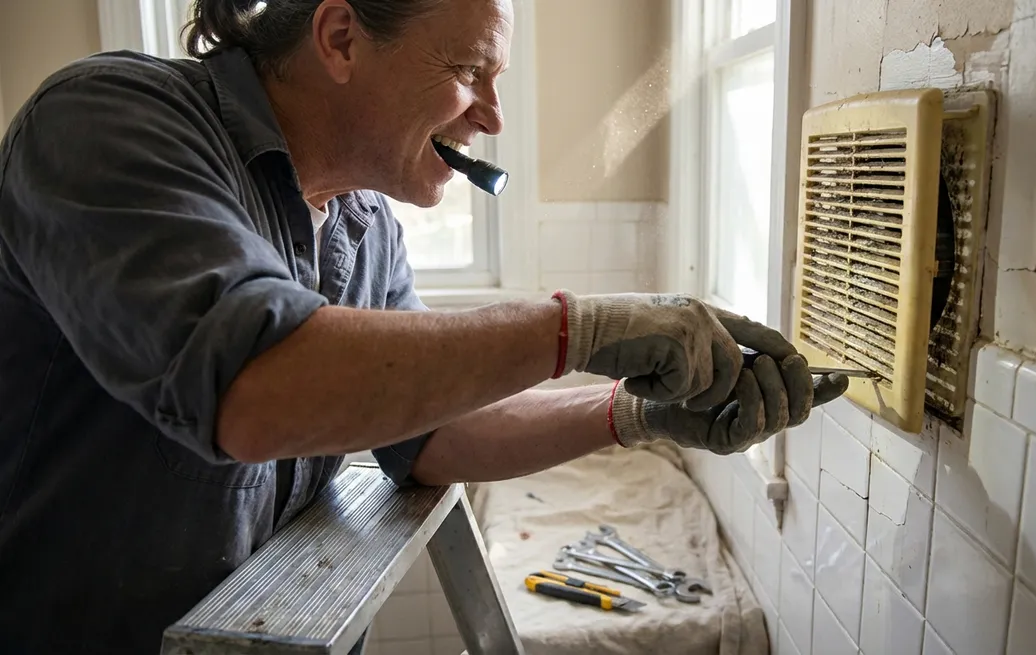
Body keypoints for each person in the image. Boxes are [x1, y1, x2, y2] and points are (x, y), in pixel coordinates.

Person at [0, 0, 848, 652]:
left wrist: (632, 414)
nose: (493, 117)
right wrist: (577, 328)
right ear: (339, 38)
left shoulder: (363, 223)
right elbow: (256, 384)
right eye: (469, 70)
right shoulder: (106, 120)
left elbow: (428, 436)